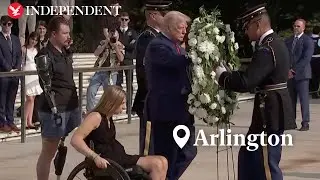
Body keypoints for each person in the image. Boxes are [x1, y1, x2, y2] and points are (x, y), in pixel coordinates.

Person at [214, 4, 297, 180]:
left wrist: (223, 77)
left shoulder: (267, 49)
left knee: (266, 163)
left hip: (269, 113)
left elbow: (248, 82)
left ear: (257, 24)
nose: (245, 32)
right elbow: (257, 76)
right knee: (249, 157)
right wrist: (232, 74)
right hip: (269, 111)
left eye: (247, 27)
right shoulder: (275, 43)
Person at [71, 85, 168, 180]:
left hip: (120, 159)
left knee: (163, 161)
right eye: (122, 103)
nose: (125, 107)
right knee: (157, 164)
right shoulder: (95, 117)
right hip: (109, 163)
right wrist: (95, 157)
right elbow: (75, 140)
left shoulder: (108, 117)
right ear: (112, 102)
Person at [144, 11, 196, 180]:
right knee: (167, 155)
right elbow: (176, 61)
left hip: (181, 112)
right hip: (166, 112)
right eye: (182, 28)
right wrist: (196, 54)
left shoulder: (175, 46)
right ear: (169, 27)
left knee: (188, 151)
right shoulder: (158, 45)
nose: (185, 32)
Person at [35, 16, 81, 180]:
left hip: (71, 105)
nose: (68, 36)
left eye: (69, 32)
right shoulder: (44, 55)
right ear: (53, 34)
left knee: (82, 137)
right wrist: (55, 111)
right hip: (55, 109)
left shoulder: (65, 50)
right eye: (64, 33)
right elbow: (46, 87)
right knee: (48, 153)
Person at [132, 0, 172, 156]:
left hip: (159, 102)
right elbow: (145, 74)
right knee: (150, 150)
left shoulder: (160, 37)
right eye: (164, 15)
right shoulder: (147, 39)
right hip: (150, 103)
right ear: (154, 16)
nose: (168, 18)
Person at [285, 19, 314, 131]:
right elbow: (285, 56)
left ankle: (305, 122)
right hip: (289, 75)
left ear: (303, 28)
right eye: (294, 26)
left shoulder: (308, 41)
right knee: (291, 100)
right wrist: (287, 69)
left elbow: (306, 58)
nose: (296, 28)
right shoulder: (288, 40)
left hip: (302, 75)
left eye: (298, 26)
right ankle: (291, 122)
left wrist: (293, 70)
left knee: (303, 99)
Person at [86, 28, 125, 112]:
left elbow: (121, 58)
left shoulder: (119, 45)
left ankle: (108, 112)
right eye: (111, 36)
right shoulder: (103, 42)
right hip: (100, 71)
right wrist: (106, 42)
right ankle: (90, 111)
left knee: (109, 94)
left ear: (118, 37)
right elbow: (96, 53)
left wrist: (115, 46)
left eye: (115, 36)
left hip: (111, 73)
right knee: (90, 90)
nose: (113, 38)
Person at [0, 16, 21, 133]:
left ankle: (10, 120)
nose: (7, 26)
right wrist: (8, 69)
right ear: (1, 24)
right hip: (3, 73)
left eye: (9, 24)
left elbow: (19, 55)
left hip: (15, 74)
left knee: (11, 100)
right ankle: (2, 123)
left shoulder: (15, 39)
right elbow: (0, 57)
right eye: (4, 24)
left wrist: (17, 69)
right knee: (2, 99)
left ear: (12, 25)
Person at [116, 12, 138, 114]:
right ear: (119, 20)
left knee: (129, 84)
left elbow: (133, 45)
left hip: (128, 59)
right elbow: (113, 43)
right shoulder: (116, 31)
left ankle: (129, 108)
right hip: (117, 60)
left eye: (126, 19)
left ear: (128, 21)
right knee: (118, 84)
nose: (124, 21)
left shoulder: (132, 32)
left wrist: (123, 45)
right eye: (122, 19)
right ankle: (118, 106)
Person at [22, 32, 43, 128]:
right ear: (29, 38)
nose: (33, 41)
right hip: (26, 73)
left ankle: (29, 121)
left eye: (35, 40)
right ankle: (24, 121)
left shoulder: (37, 50)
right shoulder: (24, 49)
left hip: (35, 74)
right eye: (32, 39)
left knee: (33, 99)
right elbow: (21, 62)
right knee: (29, 98)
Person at [309, 26, 320, 98]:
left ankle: (311, 90)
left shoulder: (308, 39)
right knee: (317, 76)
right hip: (318, 59)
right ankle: (316, 92)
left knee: (311, 76)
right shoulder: (319, 39)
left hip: (309, 59)